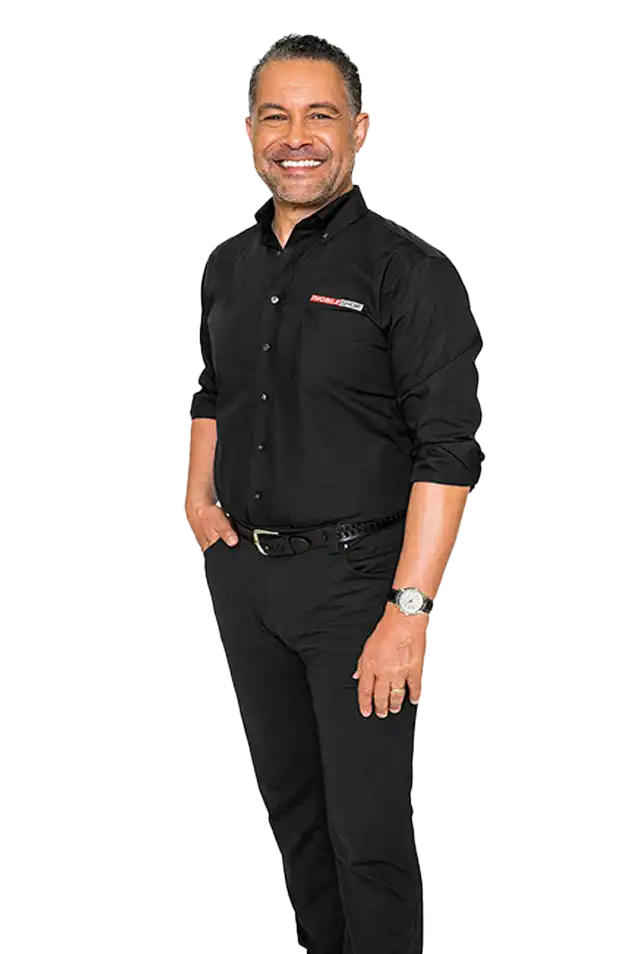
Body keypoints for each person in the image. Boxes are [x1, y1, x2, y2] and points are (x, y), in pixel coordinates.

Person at [185, 31, 484, 954]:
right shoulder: (228, 267)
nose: (296, 136)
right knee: (298, 821)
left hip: (359, 587)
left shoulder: (409, 274)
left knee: (367, 837)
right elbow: (214, 392)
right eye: (274, 116)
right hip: (247, 579)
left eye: (320, 115)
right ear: (248, 131)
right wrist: (198, 501)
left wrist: (408, 611)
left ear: (358, 129)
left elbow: (447, 451)